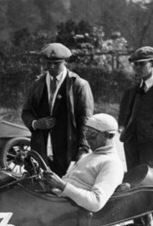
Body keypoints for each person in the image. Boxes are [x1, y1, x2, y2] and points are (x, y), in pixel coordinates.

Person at [21, 42, 94, 176]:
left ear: (65, 61)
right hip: (41, 148)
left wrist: (83, 148)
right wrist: (35, 124)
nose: (51, 67)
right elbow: (26, 112)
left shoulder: (78, 85)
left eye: (56, 63)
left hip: (68, 149)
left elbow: (86, 120)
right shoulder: (37, 84)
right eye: (48, 64)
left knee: (66, 188)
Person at [41, 113, 125, 213]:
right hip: (57, 201)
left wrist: (61, 185)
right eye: (86, 132)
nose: (87, 138)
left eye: (92, 134)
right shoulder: (92, 155)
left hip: (69, 213)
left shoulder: (112, 164)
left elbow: (96, 202)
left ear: (108, 135)